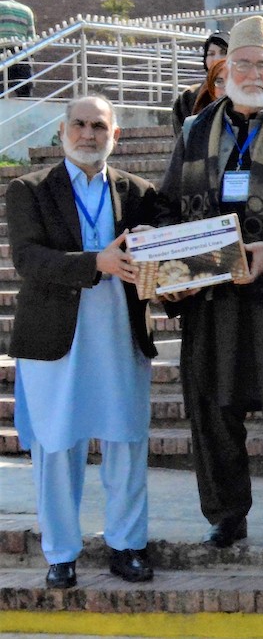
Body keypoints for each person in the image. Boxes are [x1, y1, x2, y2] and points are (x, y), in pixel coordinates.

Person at [158, 15, 263, 552]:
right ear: (223, 69)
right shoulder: (193, 132)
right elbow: (167, 205)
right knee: (212, 407)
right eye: (243, 63)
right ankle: (226, 515)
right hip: (212, 293)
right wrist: (174, 266)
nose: (252, 72)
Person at [7, 96, 162, 588]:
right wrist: (95, 262)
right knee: (56, 448)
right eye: (79, 124)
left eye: (99, 126)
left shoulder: (140, 192)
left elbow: (162, 259)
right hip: (54, 339)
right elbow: (29, 259)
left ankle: (127, 545)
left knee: (126, 442)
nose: (88, 133)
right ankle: (60, 553)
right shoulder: (28, 189)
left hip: (121, 332)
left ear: (115, 135)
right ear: (62, 131)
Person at [169, 32, 229, 130]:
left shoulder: (240, 92)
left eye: (223, 52)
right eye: (211, 54)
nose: (217, 59)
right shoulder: (188, 97)